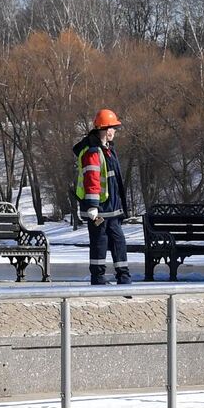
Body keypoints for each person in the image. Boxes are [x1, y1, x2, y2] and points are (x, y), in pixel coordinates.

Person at [74, 108, 130, 287]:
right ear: (104, 129)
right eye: (112, 128)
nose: (114, 131)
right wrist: (92, 206)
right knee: (100, 243)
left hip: (111, 209)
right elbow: (92, 178)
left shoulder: (107, 150)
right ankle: (98, 279)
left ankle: (124, 277)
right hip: (100, 210)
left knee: (118, 242)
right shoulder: (93, 151)